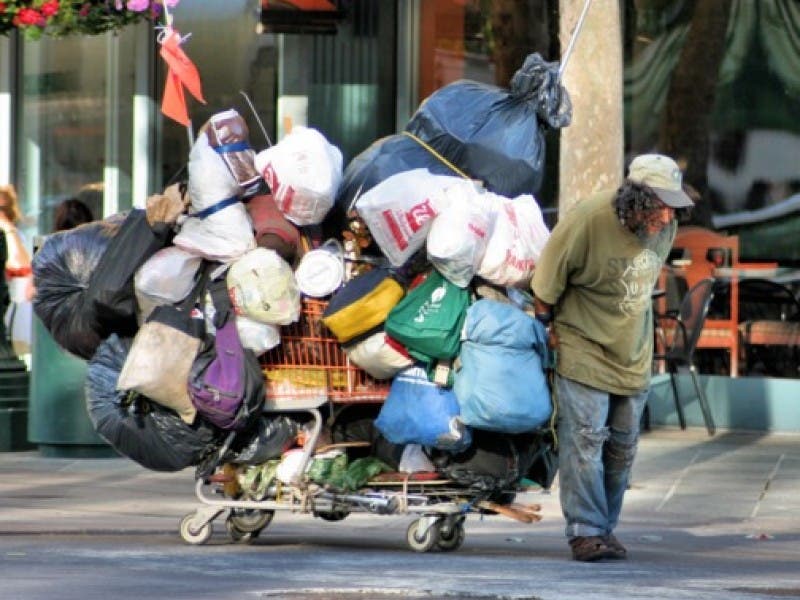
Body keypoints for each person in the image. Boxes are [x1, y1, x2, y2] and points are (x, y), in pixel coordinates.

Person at [531, 154, 694, 562]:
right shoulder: (588, 219)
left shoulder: (666, 225)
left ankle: (604, 527)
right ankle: (585, 531)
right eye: (660, 205)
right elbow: (545, 284)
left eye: (673, 207)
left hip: (632, 350)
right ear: (634, 199)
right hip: (583, 341)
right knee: (586, 439)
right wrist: (547, 328)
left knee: (623, 446)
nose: (667, 216)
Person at [0, 184, 33, 358]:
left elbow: (20, 264)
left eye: (3, 210)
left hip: (13, 317)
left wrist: (8, 228)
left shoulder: (12, 235)